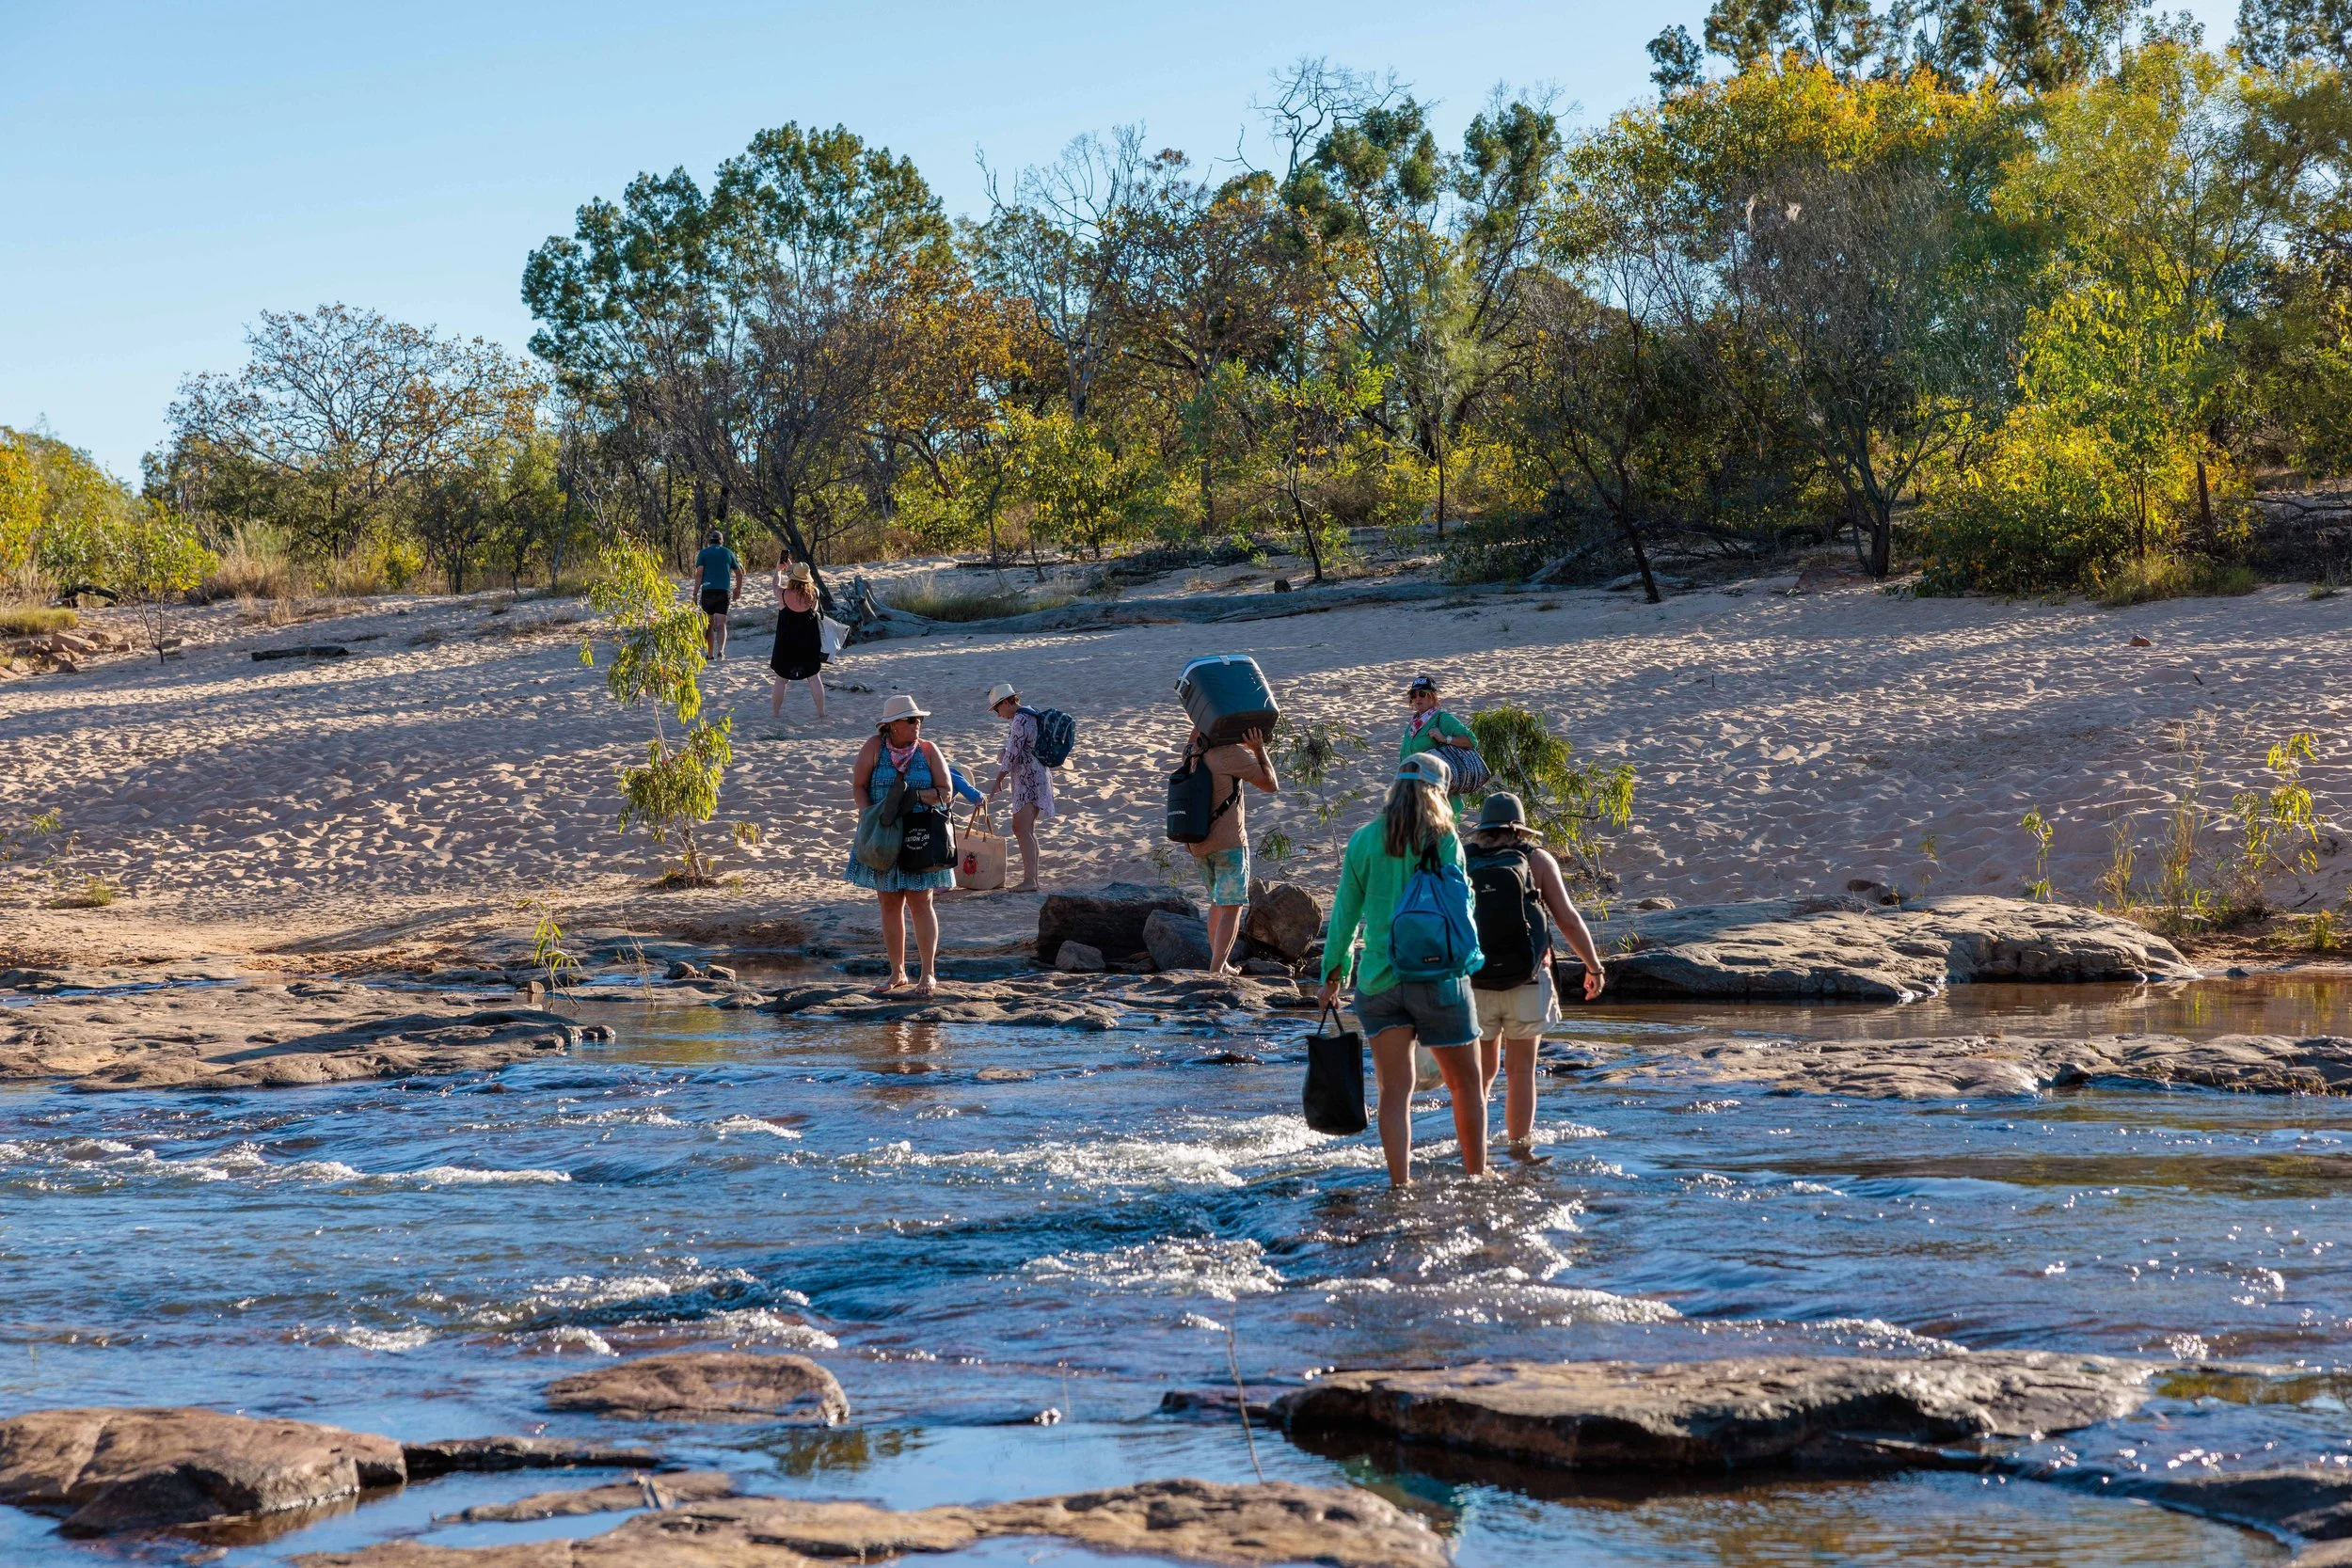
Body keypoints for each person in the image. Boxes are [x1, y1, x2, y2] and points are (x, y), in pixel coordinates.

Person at [1318, 750, 1486, 1186]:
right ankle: (1476, 1180)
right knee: (1466, 1086)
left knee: (1395, 1093)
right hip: (1438, 979)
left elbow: (1344, 917)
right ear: (1439, 793)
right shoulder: (1445, 840)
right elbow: (1461, 910)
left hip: (1378, 980)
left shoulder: (1364, 839)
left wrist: (1333, 975)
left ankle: (1401, 1184)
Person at [1464, 792, 1608, 1164]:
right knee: (1521, 1070)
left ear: (1485, 828)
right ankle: (1520, 1152)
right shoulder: (1536, 859)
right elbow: (1567, 919)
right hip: (1527, 978)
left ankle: (1474, 1154)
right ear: (1519, 828)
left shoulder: (1463, 859)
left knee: (1480, 1073)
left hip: (1475, 979)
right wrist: (1594, 967)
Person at [846, 694, 954, 995]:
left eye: (918, 719)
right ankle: (897, 973)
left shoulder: (929, 750)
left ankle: (928, 974)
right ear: (892, 725)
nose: (916, 724)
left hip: (920, 837)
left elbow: (946, 792)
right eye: (910, 719)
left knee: (921, 901)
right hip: (883, 835)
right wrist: (869, 816)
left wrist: (918, 797)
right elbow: (858, 785)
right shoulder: (873, 748)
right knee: (889, 903)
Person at [1175, 725, 1279, 974]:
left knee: (1217, 903)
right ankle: (1217, 969)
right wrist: (1259, 749)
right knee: (1232, 906)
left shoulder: (1192, 752)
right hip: (1229, 843)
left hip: (1198, 843)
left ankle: (1222, 965)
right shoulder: (1231, 754)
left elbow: (1197, 729)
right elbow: (1271, 784)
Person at [983, 682, 1055, 892]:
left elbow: (1013, 754)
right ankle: (1032, 879)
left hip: (1029, 780)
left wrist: (998, 778)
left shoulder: (1020, 719)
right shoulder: (1031, 713)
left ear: (1006, 702)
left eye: (998, 709)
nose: (998, 714)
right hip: (1036, 776)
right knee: (1027, 830)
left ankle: (1030, 881)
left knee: (1021, 828)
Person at [770, 560, 828, 724]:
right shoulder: (815, 593)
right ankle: (822, 713)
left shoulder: (783, 594)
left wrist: (778, 571)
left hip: (786, 642)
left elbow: (775, 584)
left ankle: (775, 714)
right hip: (809, 641)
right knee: (814, 677)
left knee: (781, 679)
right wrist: (796, 568)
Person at [1399, 674, 1475, 767]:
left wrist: (1445, 739)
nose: (1418, 698)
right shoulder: (1413, 724)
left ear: (1433, 696)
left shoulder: (1443, 718)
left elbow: (1472, 741)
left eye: (1422, 694)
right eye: (1413, 695)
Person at [695, 531, 744, 661]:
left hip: (708, 591)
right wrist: (737, 589)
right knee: (721, 624)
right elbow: (739, 573)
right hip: (723, 591)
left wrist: (695, 593)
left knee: (709, 625)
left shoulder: (703, 553)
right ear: (721, 541)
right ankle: (721, 652)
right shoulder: (728, 553)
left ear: (709, 541)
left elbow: (699, 574)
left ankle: (710, 655)